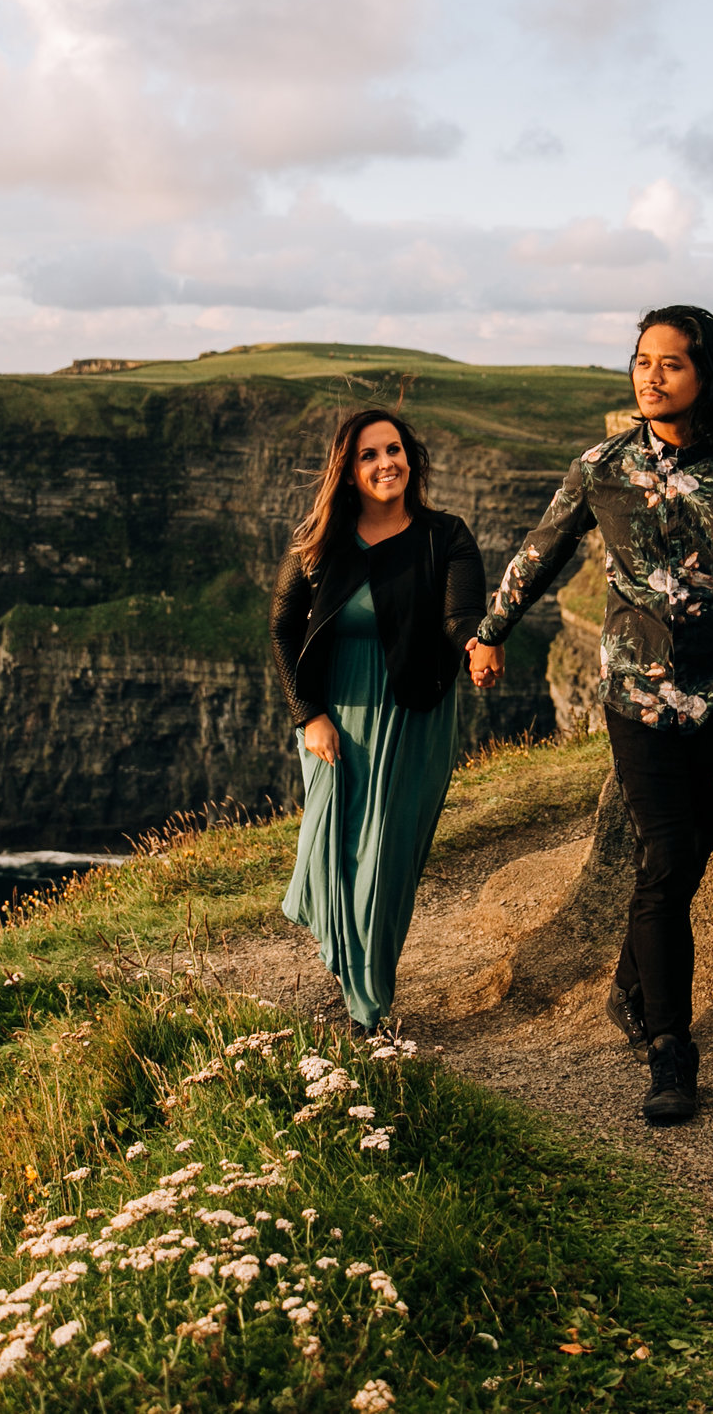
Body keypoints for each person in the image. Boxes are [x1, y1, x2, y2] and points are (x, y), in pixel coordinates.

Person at [465, 305, 713, 1126]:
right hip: (637, 701)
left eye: (671, 364)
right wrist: (490, 632)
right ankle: (671, 1052)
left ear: (708, 375)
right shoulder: (602, 467)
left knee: (676, 870)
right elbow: (539, 551)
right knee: (670, 849)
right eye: (641, 360)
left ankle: (630, 984)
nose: (650, 376)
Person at [270, 409, 487, 1036]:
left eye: (395, 450)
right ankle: (350, 964)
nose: (386, 462)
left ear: (410, 459)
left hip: (414, 713)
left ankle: (369, 1008)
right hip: (334, 717)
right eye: (369, 455)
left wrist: (478, 646)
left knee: (386, 859)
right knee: (334, 850)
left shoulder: (445, 535)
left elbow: (460, 615)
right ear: (348, 470)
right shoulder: (319, 541)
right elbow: (284, 630)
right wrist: (308, 714)